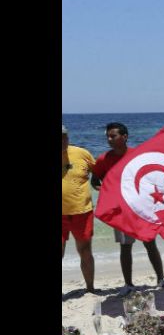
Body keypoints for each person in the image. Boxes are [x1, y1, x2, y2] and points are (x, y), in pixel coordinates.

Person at [91, 122, 164, 293]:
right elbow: (95, 182)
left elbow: (151, 176)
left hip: (141, 209)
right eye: (108, 136)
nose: (109, 139)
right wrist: (108, 193)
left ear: (124, 137)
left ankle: (161, 279)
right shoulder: (104, 159)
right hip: (120, 212)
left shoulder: (137, 155)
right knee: (125, 247)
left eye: (113, 136)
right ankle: (128, 285)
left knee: (149, 242)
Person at [62, 124, 97, 293]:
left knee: (85, 251)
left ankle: (90, 289)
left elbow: (100, 172)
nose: (62, 140)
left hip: (82, 212)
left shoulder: (82, 154)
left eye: (64, 136)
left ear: (67, 137)